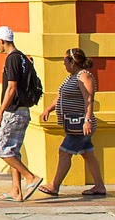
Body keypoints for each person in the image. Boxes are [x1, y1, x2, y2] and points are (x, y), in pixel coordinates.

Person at [38, 48, 106, 197]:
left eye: (65, 62)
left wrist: (87, 120)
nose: (64, 64)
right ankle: (99, 186)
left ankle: (54, 186)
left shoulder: (84, 76)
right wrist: (48, 110)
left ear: (73, 62)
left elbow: (89, 99)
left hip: (81, 124)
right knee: (88, 154)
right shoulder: (72, 77)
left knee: (64, 152)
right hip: (73, 124)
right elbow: (61, 95)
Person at [0, 26, 43, 201]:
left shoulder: (12, 59)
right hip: (23, 111)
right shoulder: (22, 57)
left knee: (1, 149)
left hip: (13, 112)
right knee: (13, 151)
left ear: (3, 41)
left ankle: (30, 177)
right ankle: (16, 191)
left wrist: (0, 112)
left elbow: (11, 88)